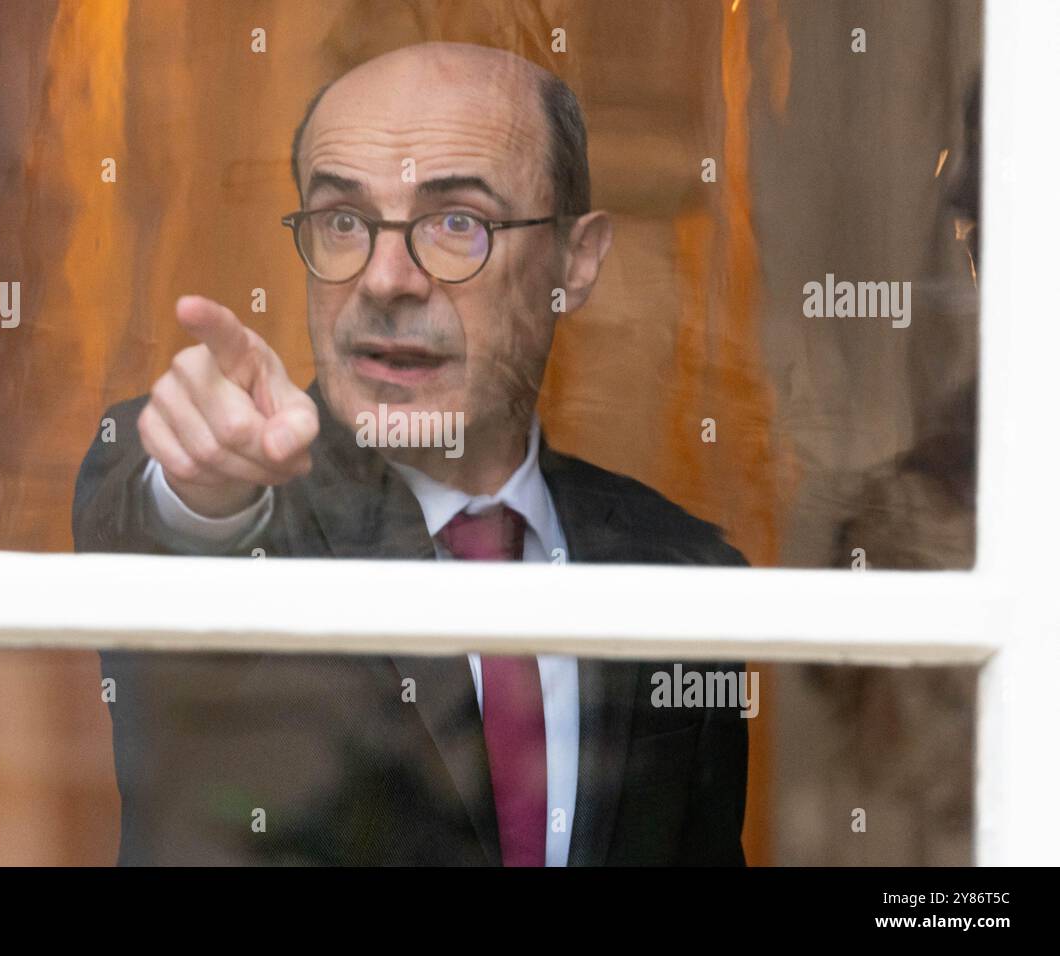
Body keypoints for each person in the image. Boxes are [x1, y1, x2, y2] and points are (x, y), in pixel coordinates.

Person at [74, 42, 748, 865]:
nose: (385, 278)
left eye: (457, 221)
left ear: (576, 260)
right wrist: (204, 495)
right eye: (344, 221)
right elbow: (162, 545)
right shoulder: (237, 494)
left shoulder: (682, 575)